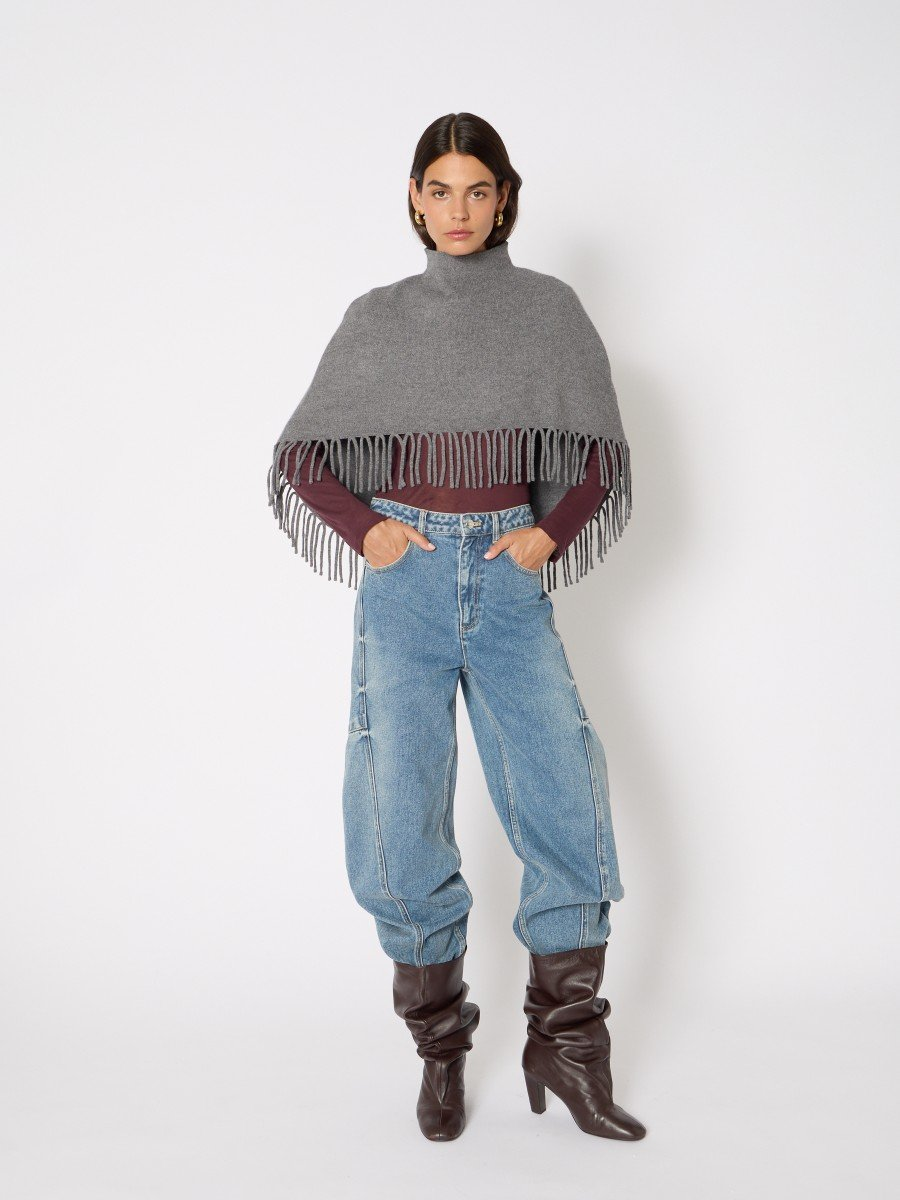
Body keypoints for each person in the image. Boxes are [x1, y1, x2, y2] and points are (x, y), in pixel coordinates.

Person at [266, 112, 645, 1143]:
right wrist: (371, 533)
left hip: (509, 578)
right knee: (397, 813)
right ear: (414, 199)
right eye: (440, 191)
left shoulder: (548, 310)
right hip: (409, 581)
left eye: (478, 190)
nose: (459, 210)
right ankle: (440, 1051)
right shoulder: (377, 317)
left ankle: (568, 1048)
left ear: (505, 198)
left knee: (565, 795)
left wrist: (547, 535)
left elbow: (599, 452)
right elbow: (302, 453)